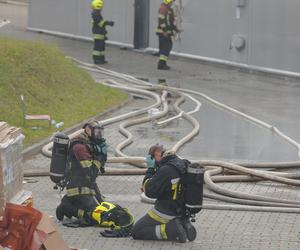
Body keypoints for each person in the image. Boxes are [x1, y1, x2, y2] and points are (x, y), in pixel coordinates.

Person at [132, 149, 197, 243]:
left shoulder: (166, 170)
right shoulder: (185, 164)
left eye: (155, 157)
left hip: (165, 212)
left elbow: (149, 191)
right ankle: (183, 223)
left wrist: (150, 169)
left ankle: (172, 230)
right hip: (183, 211)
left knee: (137, 231)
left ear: (161, 157)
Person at [56, 120, 107, 224]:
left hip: (89, 185)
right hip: (78, 188)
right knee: (95, 217)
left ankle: (69, 201)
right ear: (88, 130)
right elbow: (90, 173)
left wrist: (102, 157)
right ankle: (66, 208)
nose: (99, 135)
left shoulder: (90, 143)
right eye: (97, 132)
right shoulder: (79, 147)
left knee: (105, 209)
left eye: (100, 132)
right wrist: (99, 158)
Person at [156, 0, 179, 70]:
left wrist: (176, 29)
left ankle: (162, 63)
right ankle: (161, 64)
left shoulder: (170, 10)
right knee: (166, 47)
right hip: (163, 32)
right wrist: (165, 31)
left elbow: (171, 22)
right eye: (171, 1)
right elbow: (161, 20)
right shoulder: (163, 8)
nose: (172, 3)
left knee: (167, 47)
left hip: (167, 32)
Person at [91, 0, 114, 64]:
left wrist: (104, 33)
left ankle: (101, 59)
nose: (102, 7)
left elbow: (100, 24)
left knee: (101, 46)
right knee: (98, 47)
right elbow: (100, 23)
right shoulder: (96, 13)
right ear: (99, 5)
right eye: (102, 6)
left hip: (100, 33)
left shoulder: (96, 13)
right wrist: (109, 23)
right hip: (98, 33)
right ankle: (97, 60)